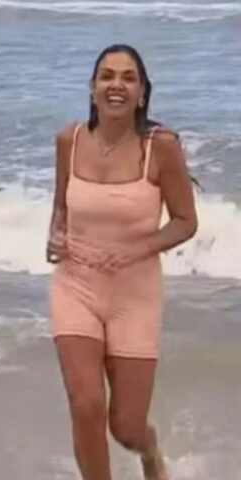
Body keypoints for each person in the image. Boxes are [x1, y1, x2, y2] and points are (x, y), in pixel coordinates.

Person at [47, 44, 198, 480]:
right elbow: (61, 206)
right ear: (92, 88)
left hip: (134, 295)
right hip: (76, 284)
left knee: (127, 428)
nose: (117, 85)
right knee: (86, 405)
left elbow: (185, 222)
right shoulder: (69, 140)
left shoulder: (161, 147)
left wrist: (137, 248)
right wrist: (54, 235)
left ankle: (150, 453)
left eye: (129, 77)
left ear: (142, 93)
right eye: (107, 76)